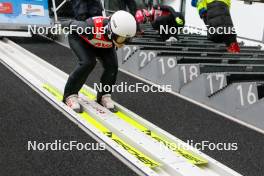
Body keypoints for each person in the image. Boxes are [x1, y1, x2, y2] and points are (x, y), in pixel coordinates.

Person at [62, 11, 137, 113]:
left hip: (103, 43)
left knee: (112, 67)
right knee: (88, 63)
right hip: (82, 41)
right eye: (122, 39)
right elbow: (69, 24)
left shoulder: (115, 33)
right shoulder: (90, 27)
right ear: (111, 31)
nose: (124, 43)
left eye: (127, 39)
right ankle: (69, 95)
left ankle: (103, 96)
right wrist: (57, 26)